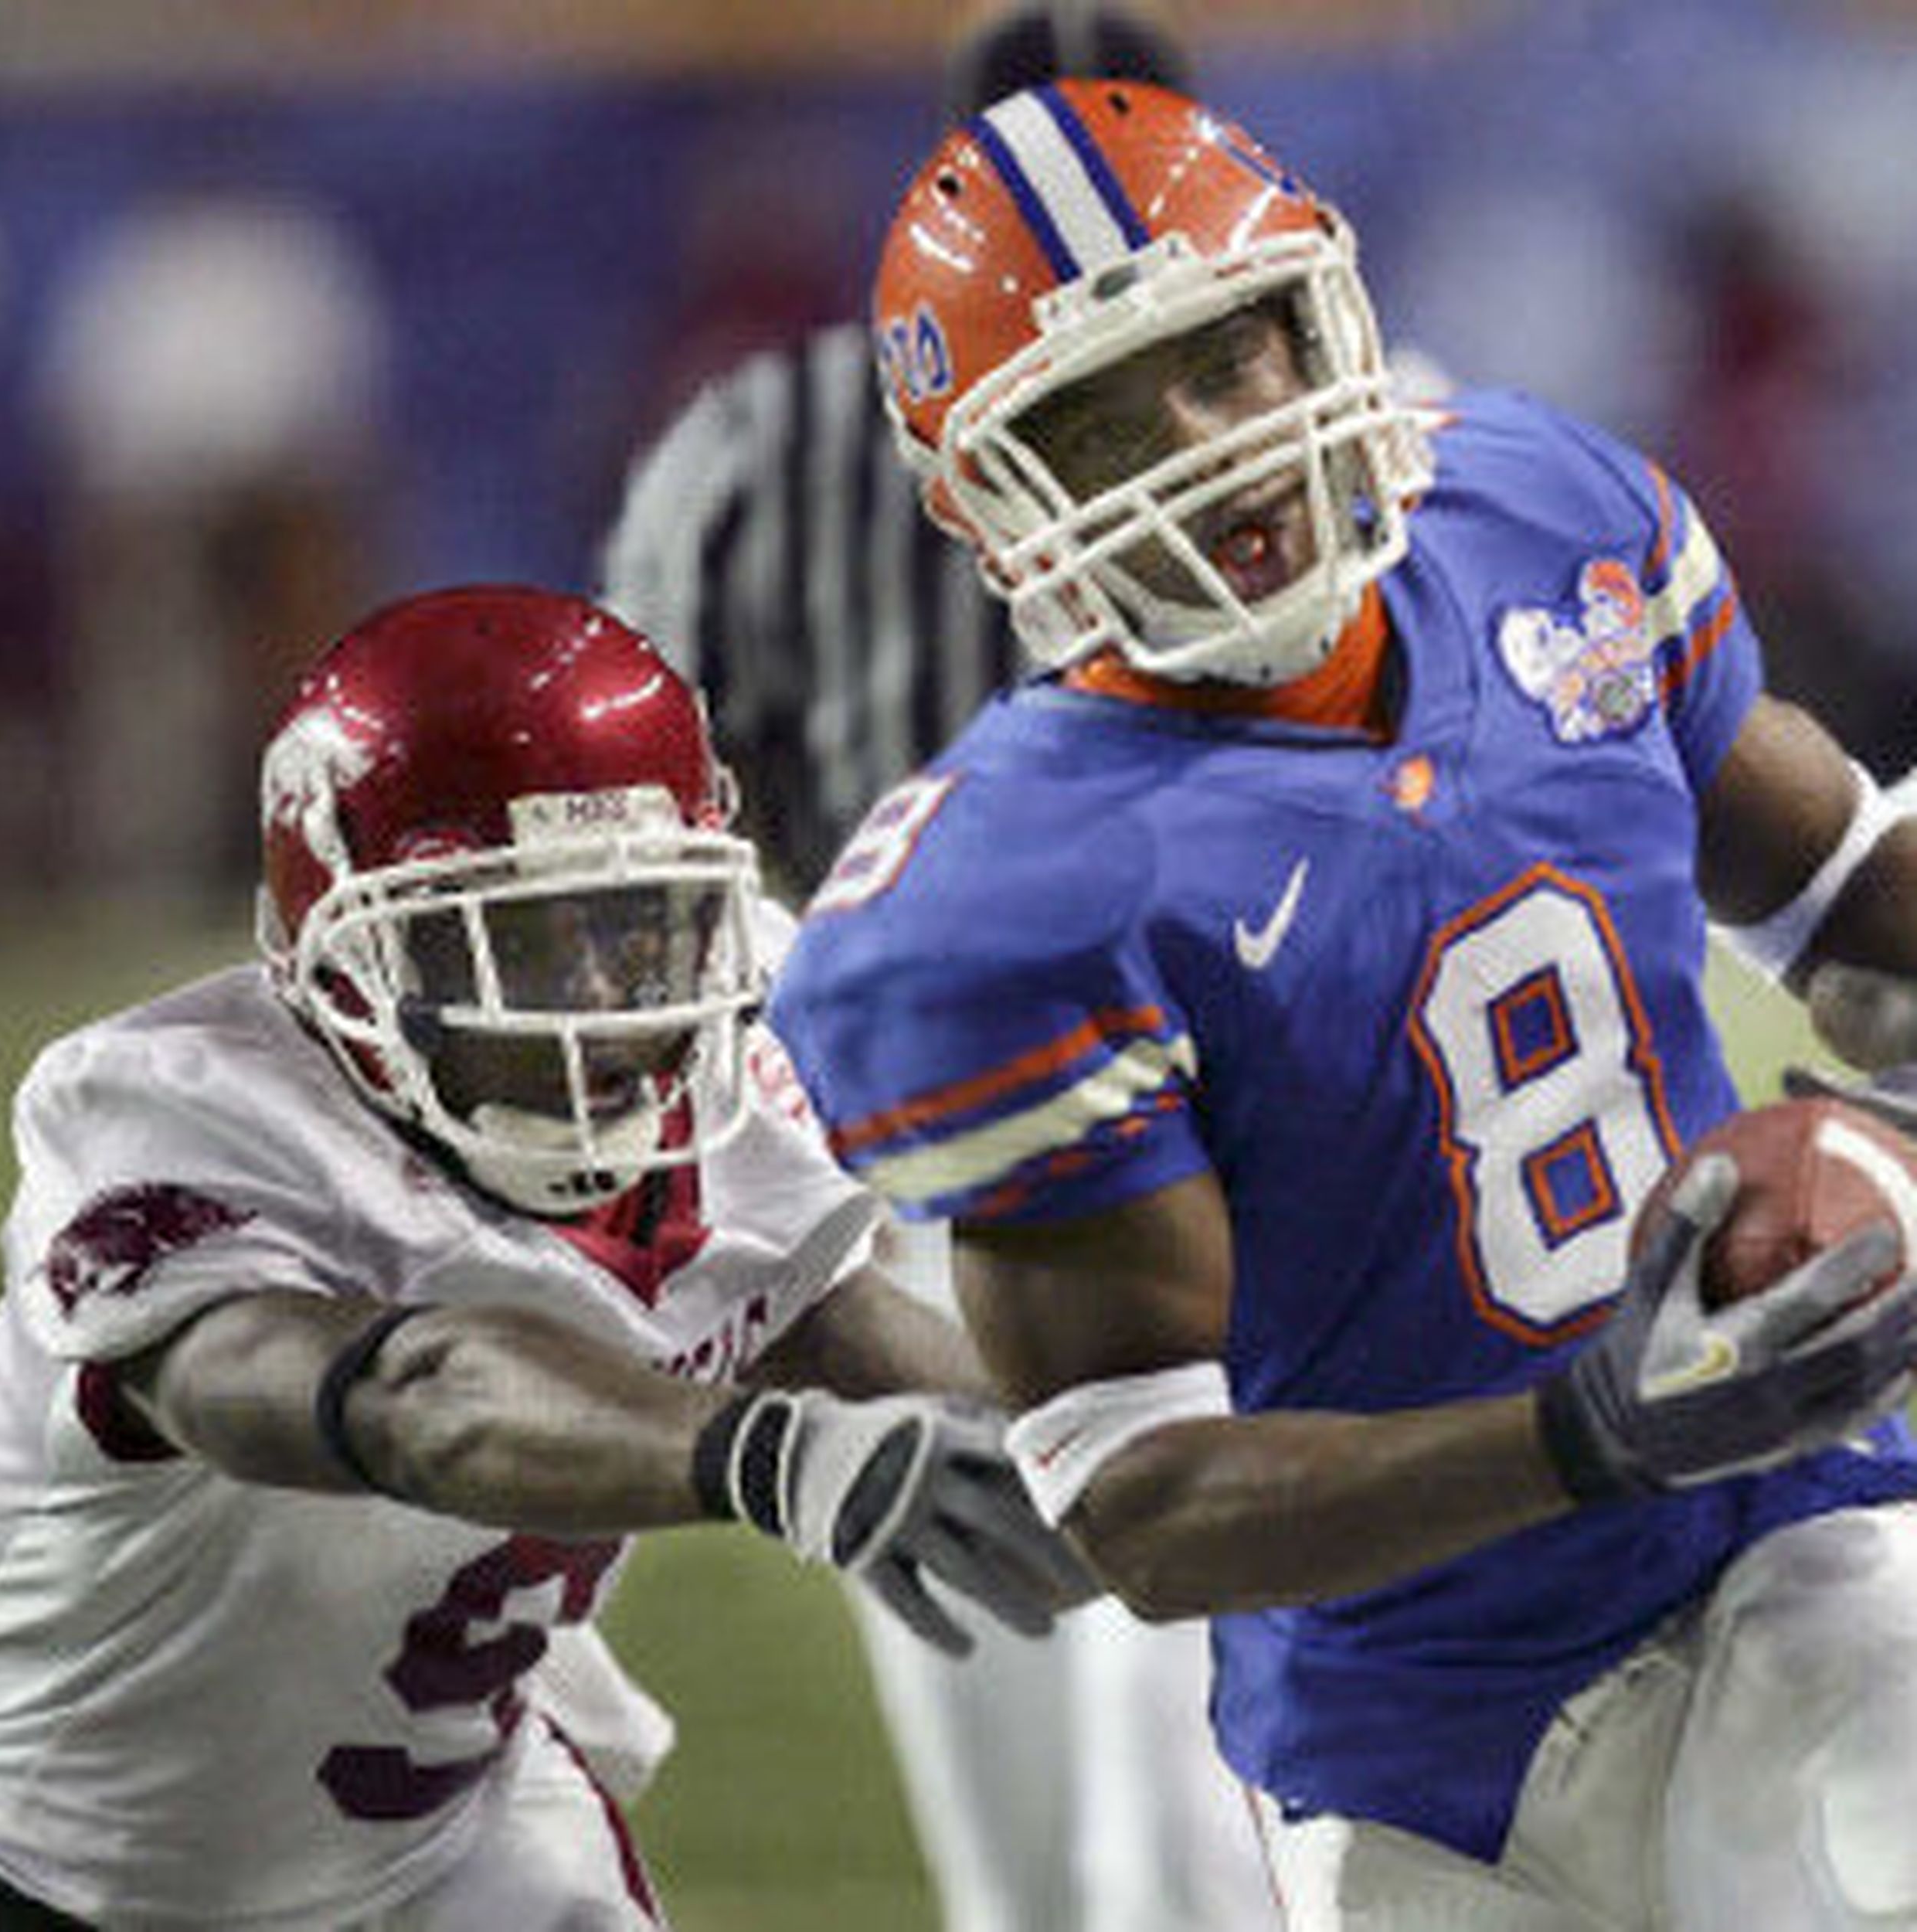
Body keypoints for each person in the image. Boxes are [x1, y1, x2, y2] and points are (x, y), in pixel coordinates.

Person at [769, 77, 1917, 1932]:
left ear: (1323, 315)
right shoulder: (1004, 904)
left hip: (1784, 1544)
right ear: (990, 494)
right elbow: (1143, 1500)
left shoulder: (1541, 520)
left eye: (1227, 357)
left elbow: (1846, 885)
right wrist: (1585, 1429)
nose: (1209, 447)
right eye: (1099, 417)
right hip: (1401, 1743)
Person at [0, 585, 1088, 1929]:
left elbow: (810, 1308)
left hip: (450, 1841)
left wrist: (1091, 1437)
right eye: (526, 945)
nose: (610, 1013)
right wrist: (775, 1458)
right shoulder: (178, 1121)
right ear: (347, 962)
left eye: (639, 931)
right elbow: (416, 1399)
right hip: (57, 1871)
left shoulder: (729, 1068)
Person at [600, 12, 1277, 1932]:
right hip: (929, 1149)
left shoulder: (766, 438)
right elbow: (653, 831)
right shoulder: (769, 450)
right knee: (1057, 1802)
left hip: (1164, 1143)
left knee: (1166, 1792)